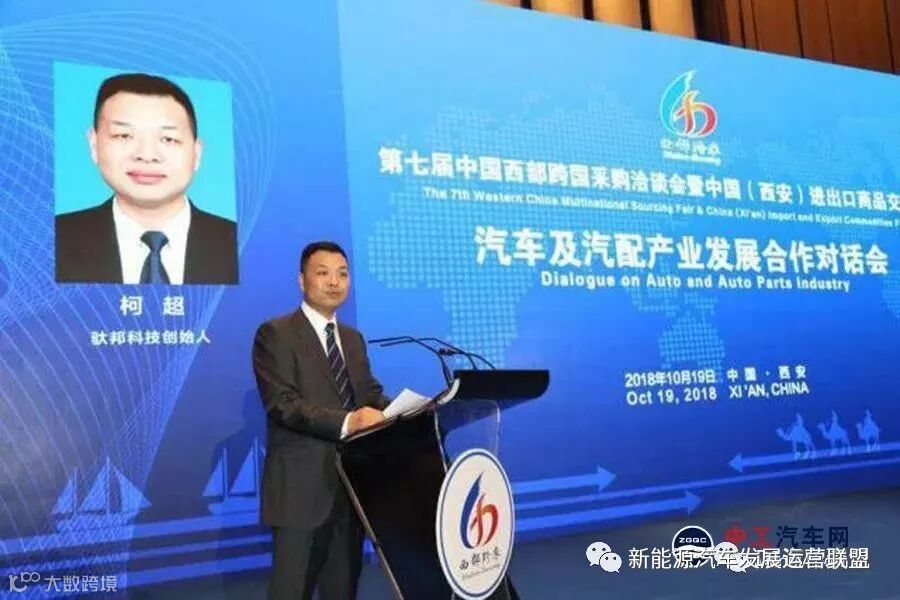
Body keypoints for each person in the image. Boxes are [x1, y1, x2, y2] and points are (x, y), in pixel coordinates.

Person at [252, 241, 388, 599]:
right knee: (291, 592)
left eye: (342, 274)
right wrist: (349, 422)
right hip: (301, 494)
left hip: (351, 489)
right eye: (323, 273)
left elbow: (370, 394)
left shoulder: (353, 339)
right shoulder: (276, 333)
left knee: (342, 590)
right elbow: (283, 405)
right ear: (302, 280)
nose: (334, 282)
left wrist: (409, 410)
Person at [55, 72, 237, 284]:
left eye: (168, 139)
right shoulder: (54, 238)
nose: (147, 155)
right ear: (94, 145)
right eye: (124, 135)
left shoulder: (238, 242)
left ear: (197, 153)